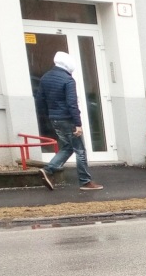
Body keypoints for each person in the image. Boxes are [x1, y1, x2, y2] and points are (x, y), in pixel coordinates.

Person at [35, 51, 103, 191]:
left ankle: (49, 170)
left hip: (55, 119)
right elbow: (72, 103)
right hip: (68, 119)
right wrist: (78, 124)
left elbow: (39, 100)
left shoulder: (45, 78)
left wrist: (48, 117)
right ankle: (85, 182)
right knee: (80, 151)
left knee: (67, 147)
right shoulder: (68, 80)